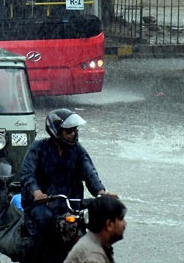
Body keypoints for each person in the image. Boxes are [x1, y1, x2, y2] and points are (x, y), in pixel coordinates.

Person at [19, 108, 114, 261]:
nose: (73, 134)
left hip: (70, 204)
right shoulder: (38, 148)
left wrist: (101, 192)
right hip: (43, 204)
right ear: (56, 131)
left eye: (74, 130)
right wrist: (36, 192)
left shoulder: (77, 151)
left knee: (90, 225)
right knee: (44, 222)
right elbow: (27, 174)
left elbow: (90, 173)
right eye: (68, 131)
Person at [63, 195, 127, 263]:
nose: (125, 223)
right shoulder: (93, 257)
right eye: (121, 219)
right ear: (109, 224)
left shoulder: (92, 241)